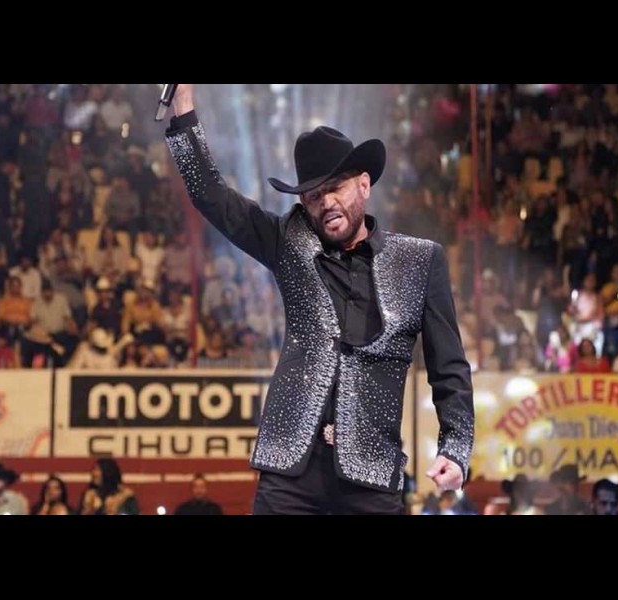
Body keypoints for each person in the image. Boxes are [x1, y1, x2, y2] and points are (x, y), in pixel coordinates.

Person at [165, 84, 474, 515]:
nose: (326, 202)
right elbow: (211, 196)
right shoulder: (288, 241)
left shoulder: (420, 261)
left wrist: (456, 449)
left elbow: (449, 367)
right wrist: (183, 108)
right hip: (290, 468)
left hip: (371, 471)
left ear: (364, 185)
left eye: (336, 188)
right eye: (313, 196)